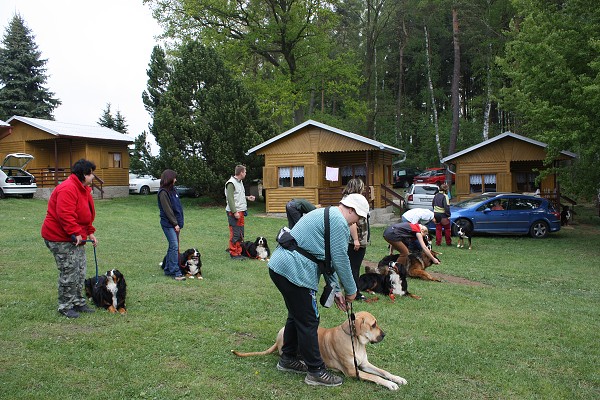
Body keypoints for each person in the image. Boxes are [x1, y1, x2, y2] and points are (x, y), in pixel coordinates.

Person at [268, 193, 369, 387]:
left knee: (297, 314)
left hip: (280, 267)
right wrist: (351, 290)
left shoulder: (327, 214)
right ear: (351, 210)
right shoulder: (339, 222)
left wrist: (336, 289)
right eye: (359, 217)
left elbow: (326, 259)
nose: (357, 222)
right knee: (309, 319)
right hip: (293, 271)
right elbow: (340, 258)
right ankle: (316, 371)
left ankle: (288, 358)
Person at [41, 159, 98, 318]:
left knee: (80, 270)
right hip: (59, 238)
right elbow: (65, 215)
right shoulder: (67, 188)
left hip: (74, 237)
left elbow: (85, 215)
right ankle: (65, 306)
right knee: (69, 270)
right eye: (91, 173)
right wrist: (75, 232)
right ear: (84, 175)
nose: (93, 176)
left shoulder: (83, 189)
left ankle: (78, 302)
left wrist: (90, 232)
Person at [342, 178, 369, 301]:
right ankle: (355, 293)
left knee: (352, 266)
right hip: (354, 241)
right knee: (354, 267)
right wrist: (356, 240)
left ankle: (350, 288)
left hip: (356, 240)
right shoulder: (352, 201)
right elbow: (352, 223)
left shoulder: (349, 199)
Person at [158, 169, 186, 281]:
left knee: (172, 246)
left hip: (176, 223)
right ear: (169, 178)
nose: (176, 180)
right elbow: (168, 210)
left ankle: (168, 269)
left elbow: (177, 207)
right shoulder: (163, 193)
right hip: (168, 224)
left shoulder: (173, 190)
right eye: (174, 177)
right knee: (174, 246)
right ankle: (175, 271)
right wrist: (175, 224)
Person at [225, 165, 255, 260]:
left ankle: (239, 251)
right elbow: (230, 199)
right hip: (235, 212)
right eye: (245, 172)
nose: (245, 174)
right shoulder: (231, 183)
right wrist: (234, 212)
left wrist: (247, 197)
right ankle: (234, 253)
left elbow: (237, 195)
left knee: (240, 232)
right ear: (241, 172)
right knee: (235, 233)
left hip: (241, 211)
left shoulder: (239, 182)